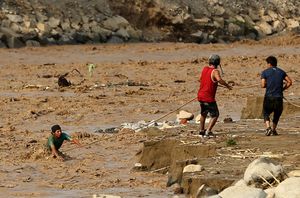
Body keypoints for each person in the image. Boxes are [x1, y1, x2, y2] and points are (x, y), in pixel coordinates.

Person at [197, 54, 232, 137]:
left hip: (201, 95)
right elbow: (219, 79)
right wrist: (227, 86)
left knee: (203, 113)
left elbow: (200, 79)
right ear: (218, 63)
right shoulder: (215, 71)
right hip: (208, 98)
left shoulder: (205, 69)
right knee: (215, 115)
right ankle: (208, 131)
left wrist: (212, 83)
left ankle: (201, 130)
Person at [261, 56, 292, 136]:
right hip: (278, 97)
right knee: (277, 114)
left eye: (267, 63)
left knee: (265, 112)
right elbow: (289, 82)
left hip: (269, 96)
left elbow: (262, 85)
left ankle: (268, 128)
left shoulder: (265, 72)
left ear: (269, 64)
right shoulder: (281, 72)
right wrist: (282, 89)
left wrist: (268, 84)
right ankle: (274, 130)